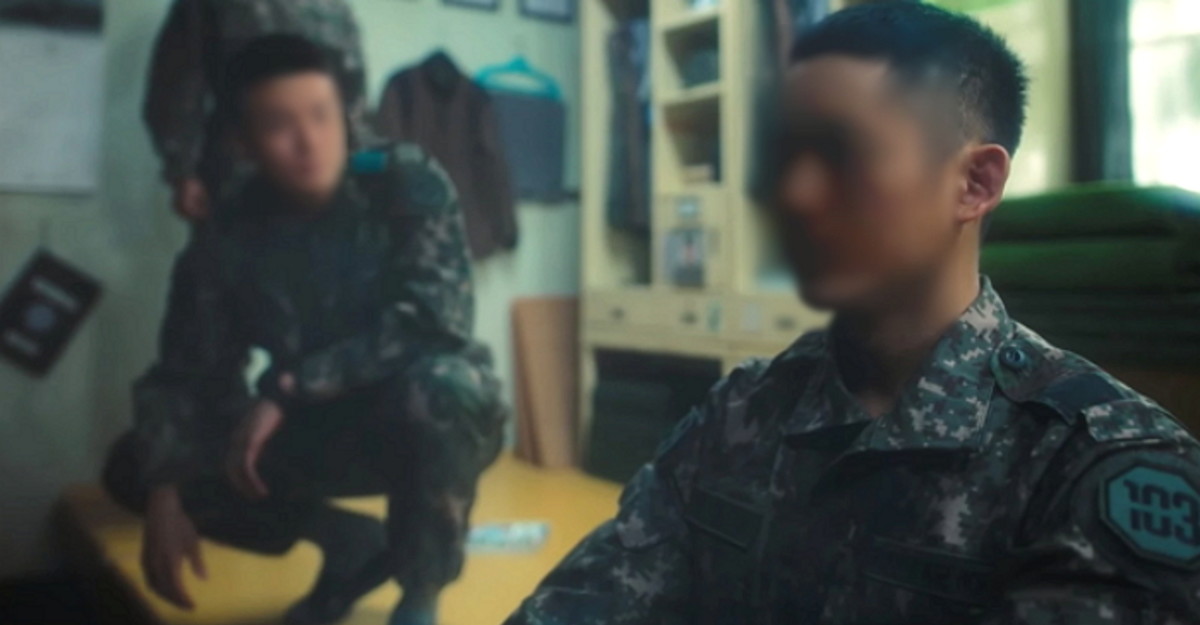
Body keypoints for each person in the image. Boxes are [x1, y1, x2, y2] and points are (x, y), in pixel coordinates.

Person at [505, 4, 1200, 624]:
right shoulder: (743, 411)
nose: (795, 194)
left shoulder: (1099, 467)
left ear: (974, 183)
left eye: (842, 153)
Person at [104, 35, 505, 625]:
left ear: (344, 115)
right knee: (134, 463)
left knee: (446, 386)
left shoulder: (402, 180)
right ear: (242, 143)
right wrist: (166, 493)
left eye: (321, 115)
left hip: (416, 420)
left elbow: (432, 324)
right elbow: (188, 371)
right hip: (313, 429)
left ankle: (419, 593)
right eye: (279, 125)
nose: (309, 141)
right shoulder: (230, 229)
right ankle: (344, 541)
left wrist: (288, 388)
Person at [143, 0, 367, 222]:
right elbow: (178, 87)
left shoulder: (335, 7)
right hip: (239, 172)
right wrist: (183, 171)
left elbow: (350, 93)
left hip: (326, 178)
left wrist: (354, 157)